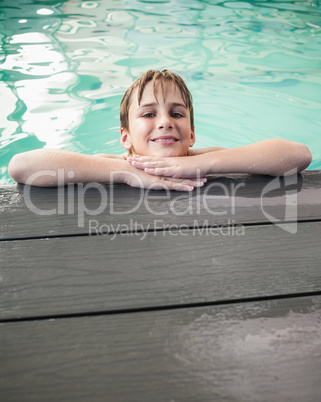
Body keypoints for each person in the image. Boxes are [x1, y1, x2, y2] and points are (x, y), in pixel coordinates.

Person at [8, 69, 312, 191]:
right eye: (149, 114)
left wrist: (197, 164)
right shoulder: (118, 164)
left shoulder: (204, 157)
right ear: (125, 137)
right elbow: (22, 166)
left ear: (191, 134)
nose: (165, 121)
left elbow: (298, 155)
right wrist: (129, 174)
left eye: (176, 113)